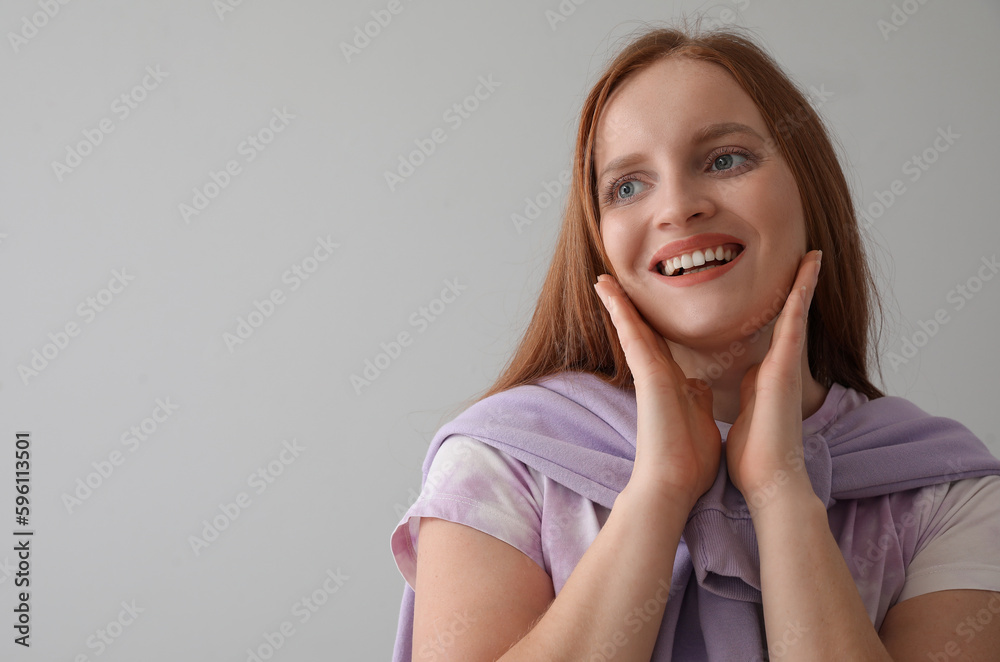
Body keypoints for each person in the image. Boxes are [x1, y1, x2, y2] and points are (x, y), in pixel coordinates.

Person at [390, 22, 1000, 661]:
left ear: (810, 188)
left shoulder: (950, 493)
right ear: (600, 242)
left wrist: (781, 494)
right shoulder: (502, 462)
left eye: (725, 159)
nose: (678, 207)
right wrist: (659, 490)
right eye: (628, 186)